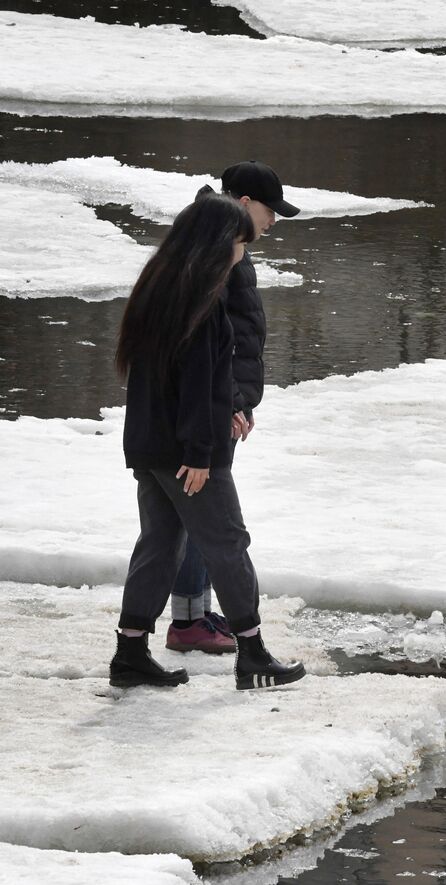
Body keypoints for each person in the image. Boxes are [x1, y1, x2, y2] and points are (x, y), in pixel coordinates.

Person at [110, 192, 305, 690]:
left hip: (152, 445)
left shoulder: (159, 286)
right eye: (240, 243)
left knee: (160, 543)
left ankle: (130, 652)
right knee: (227, 543)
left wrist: (227, 410)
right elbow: (197, 381)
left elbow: (171, 380)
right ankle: (253, 653)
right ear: (221, 242)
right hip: (187, 453)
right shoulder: (203, 298)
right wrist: (201, 451)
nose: (243, 253)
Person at [166, 160, 300, 655]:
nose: (273, 222)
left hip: (222, 401)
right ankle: (188, 621)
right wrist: (233, 402)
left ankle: (195, 613)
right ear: (244, 204)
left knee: (196, 516)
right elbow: (211, 341)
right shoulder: (218, 249)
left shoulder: (219, 242)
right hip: (213, 406)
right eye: (270, 211)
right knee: (206, 517)